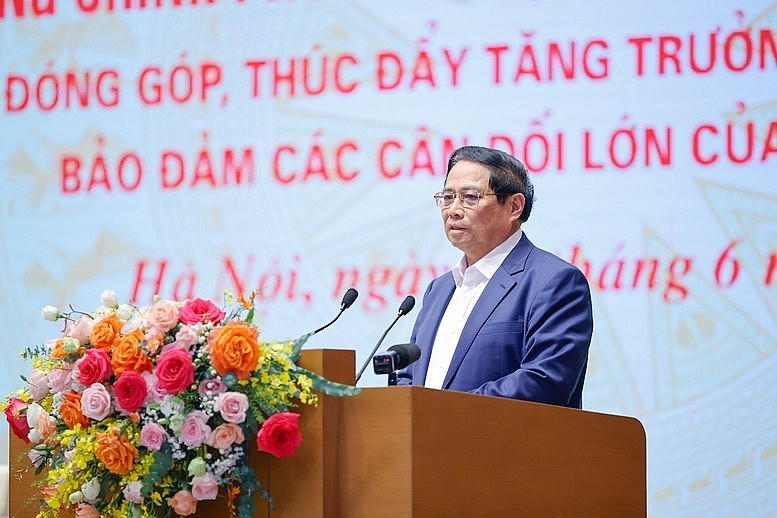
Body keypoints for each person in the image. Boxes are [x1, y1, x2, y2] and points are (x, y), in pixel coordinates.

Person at [397, 146, 593, 408]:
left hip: (503, 435)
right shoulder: (439, 289)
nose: (453, 210)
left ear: (514, 206)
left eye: (470, 197)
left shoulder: (554, 282)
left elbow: (544, 381)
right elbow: (412, 376)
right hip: (429, 435)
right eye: (448, 197)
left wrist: (446, 412)